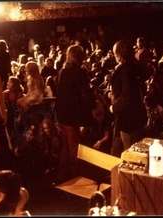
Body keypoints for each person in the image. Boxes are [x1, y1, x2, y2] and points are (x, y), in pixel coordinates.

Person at [55, 44, 95, 182]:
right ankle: (74, 177)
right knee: (74, 148)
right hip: (72, 114)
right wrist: (92, 105)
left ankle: (62, 176)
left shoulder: (63, 71)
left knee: (65, 147)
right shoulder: (79, 72)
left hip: (61, 113)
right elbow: (84, 93)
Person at [109, 40, 147, 157]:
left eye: (115, 52)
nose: (114, 55)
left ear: (120, 53)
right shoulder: (133, 66)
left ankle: (126, 175)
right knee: (117, 148)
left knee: (129, 152)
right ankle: (116, 174)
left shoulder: (126, 70)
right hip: (127, 115)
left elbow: (128, 95)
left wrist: (114, 107)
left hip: (127, 116)